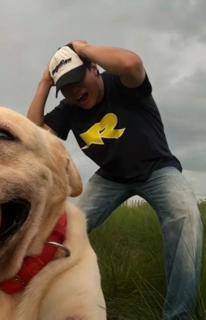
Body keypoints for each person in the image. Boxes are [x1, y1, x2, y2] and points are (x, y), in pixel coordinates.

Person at [27, 40, 203, 320]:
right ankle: (50, 304)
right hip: (110, 177)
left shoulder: (122, 83)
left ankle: (178, 315)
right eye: (66, 87)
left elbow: (132, 64)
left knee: (185, 216)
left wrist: (83, 48)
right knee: (62, 227)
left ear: (93, 67)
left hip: (157, 168)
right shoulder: (69, 110)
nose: (74, 91)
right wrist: (44, 83)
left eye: (76, 79)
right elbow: (33, 136)